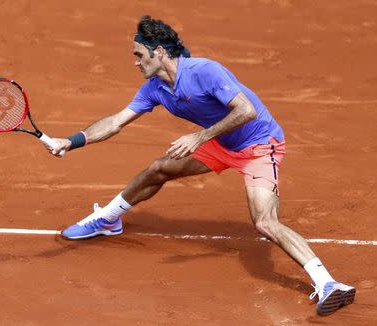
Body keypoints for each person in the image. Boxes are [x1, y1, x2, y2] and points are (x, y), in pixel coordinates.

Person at [46, 15, 355, 316]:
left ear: (160, 52)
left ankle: (328, 283)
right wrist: (70, 141)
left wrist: (199, 137)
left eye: (139, 55)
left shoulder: (205, 71)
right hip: (222, 143)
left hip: (259, 143)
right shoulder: (154, 88)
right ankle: (108, 220)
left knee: (264, 221)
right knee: (159, 169)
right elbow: (115, 122)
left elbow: (246, 111)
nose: (136, 62)